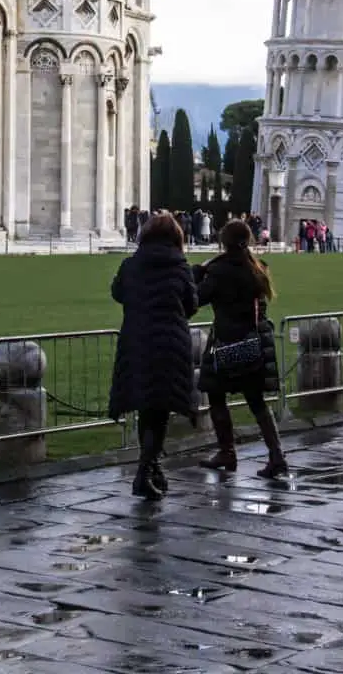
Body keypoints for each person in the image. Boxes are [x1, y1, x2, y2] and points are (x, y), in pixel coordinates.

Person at [108, 212, 198, 501]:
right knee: (159, 410)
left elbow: (117, 293)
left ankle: (153, 467)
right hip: (170, 341)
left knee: (148, 406)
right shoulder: (180, 266)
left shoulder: (130, 265)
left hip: (136, 339)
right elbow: (191, 304)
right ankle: (144, 473)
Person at [194, 219, 287, 479]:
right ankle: (276, 455)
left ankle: (227, 451)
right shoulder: (257, 267)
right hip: (254, 341)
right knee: (256, 401)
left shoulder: (219, 269)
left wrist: (195, 276)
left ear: (224, 241)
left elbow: (197, 299)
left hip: (226, 342)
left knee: (215, 394)